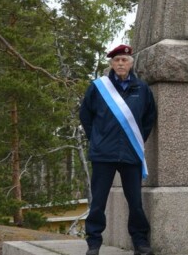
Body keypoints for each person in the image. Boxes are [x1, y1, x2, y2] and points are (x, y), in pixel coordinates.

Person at [79, 44, 157, 255]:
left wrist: (138, 140)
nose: (121, 63)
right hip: (103, 154)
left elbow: (149, 118)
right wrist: (96, 139)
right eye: (117, 60)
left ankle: (140, 242)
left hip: (130, 154)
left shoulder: (142, 89)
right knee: (98, 202)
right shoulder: (98, 88)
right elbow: (86, 116)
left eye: (124, 60)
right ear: (112, 64)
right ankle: (93, 243)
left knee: (135, 202)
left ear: (131, 63)